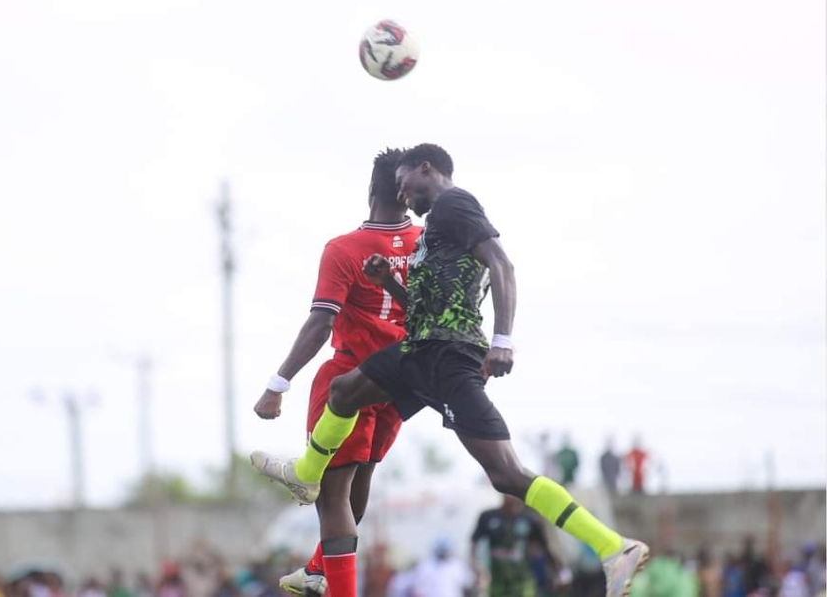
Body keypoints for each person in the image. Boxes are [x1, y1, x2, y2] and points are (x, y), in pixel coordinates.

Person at [252, 144, 649, 597]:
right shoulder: (430, 231)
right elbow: (423, 308)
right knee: (343, 392)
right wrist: (387, 282)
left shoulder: (454, 204)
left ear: (426, 170)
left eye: (406, 185)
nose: (404, 197)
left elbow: (502, 264)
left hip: (448, 358)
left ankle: (612, 546)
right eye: (397, 190)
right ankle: (307, 478)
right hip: (419, 352)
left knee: (506, 474)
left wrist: (503, 340)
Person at [251, 148, 420, 595]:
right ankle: (315, 569)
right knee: (359, 482)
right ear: (408, 193)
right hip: (402, 378)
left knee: (332, 496)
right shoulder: (425, 242)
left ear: (371, 191)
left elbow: (321, 323)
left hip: (351, 376)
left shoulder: (345, 249)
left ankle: (336, 587)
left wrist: (278, 383)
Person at [471, 495, 561, 597]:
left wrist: (559, 571)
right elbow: (474, 542)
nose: (511, 496)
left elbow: (546, 546)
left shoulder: (530, 519)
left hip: (523, 580)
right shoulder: (488, 516)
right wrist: (475, 567)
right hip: (497, 580)